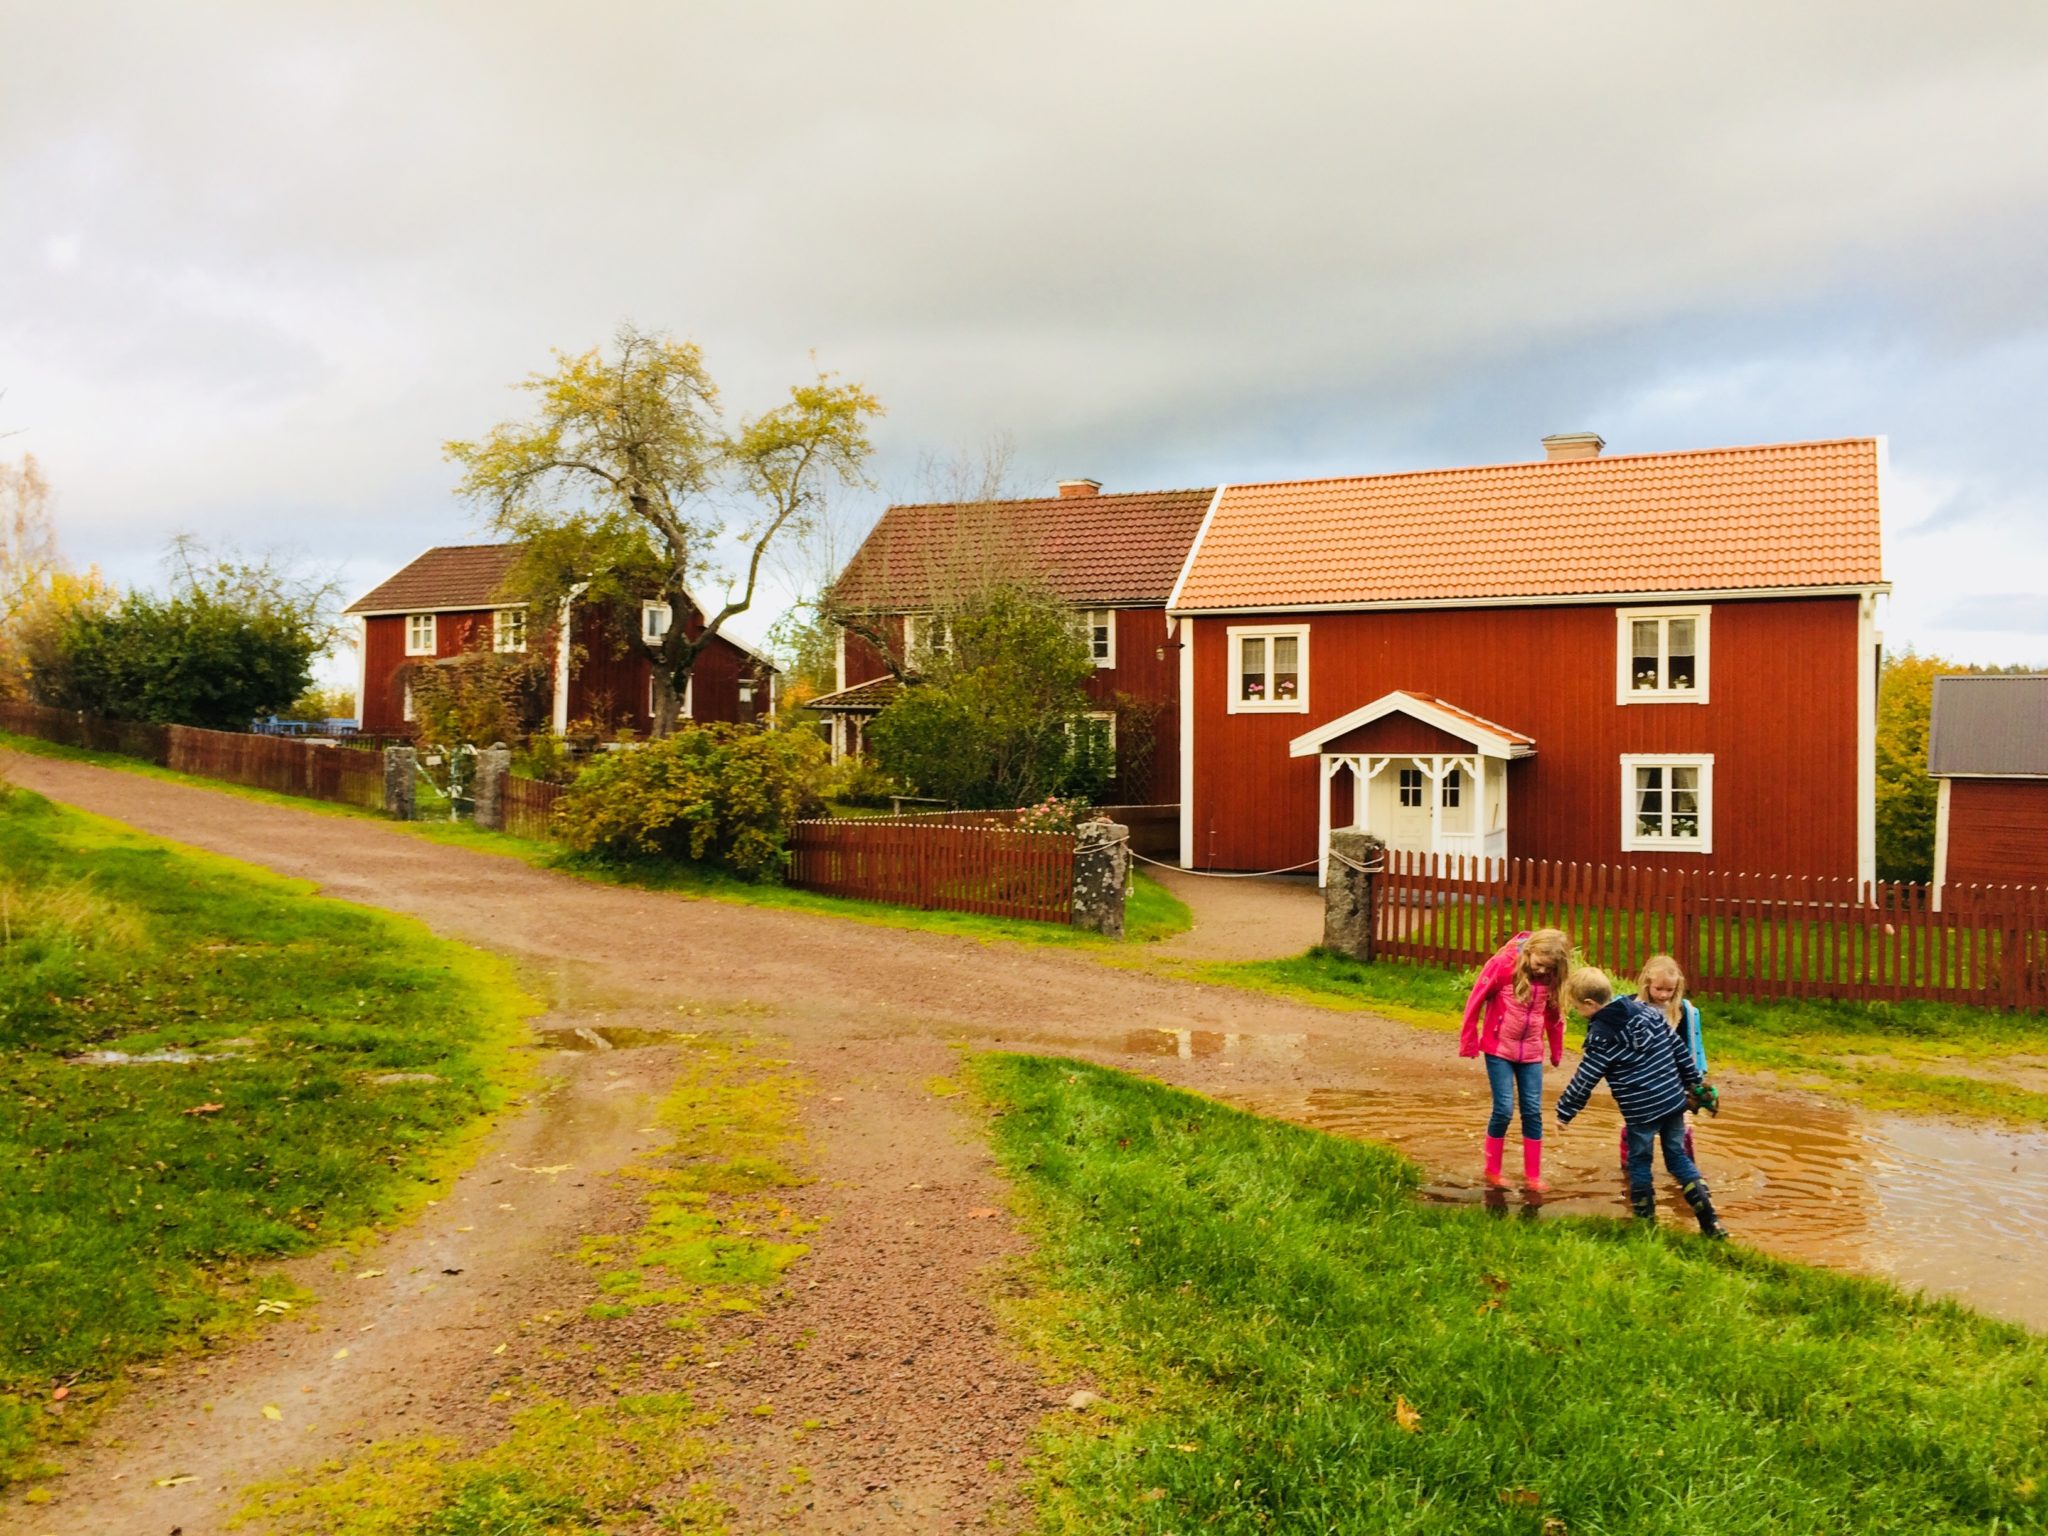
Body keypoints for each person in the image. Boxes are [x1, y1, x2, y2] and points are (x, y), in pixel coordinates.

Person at [1556, 966, 1727, 1237]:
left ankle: (1645, 1224)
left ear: (1590, 1004)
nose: (1578, 1013)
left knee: (1639, 1162)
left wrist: (1565, 1111)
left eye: (1577, 1008)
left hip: (1641, 1112)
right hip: (1673, 1102)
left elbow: (1585, 1078)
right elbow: (1678, 1048)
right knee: (1678, 1158)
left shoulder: (1601, 1037)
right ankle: (1711, 1221)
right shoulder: (1647, 1012)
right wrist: (1695, 1082)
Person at [1459, 928, 1570, 1192]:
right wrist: (1469, 1040)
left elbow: (1554, 1016)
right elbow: (1475, 1001)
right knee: (1504, 1109)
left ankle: (1533, 1175)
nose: (1542, 972)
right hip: (1499, 1050)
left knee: (1532, 1111)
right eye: (1539, 965)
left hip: (1531, 1052)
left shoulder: (1552, 976)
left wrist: (1556, 1050)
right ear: (1529, 952)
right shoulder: (1502, 966)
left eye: (1549, 968)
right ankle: (1492, 1170)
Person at [1617, 953, 1708, 1167]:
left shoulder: (1684, 1011)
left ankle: (1686, 1171)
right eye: (1659, 989)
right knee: (1636, 1126)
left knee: (1682, 1126)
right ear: (1647, 983)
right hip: (1641, 1080)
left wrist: (1695, 1082)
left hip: (1674, 1079)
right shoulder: (1630, 1007)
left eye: (1670, 990)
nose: (1664, 995)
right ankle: (1630, 1169)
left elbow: (1692, 1047)